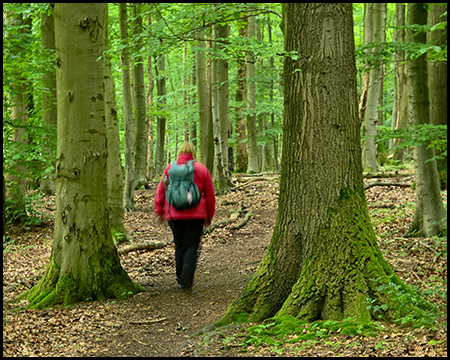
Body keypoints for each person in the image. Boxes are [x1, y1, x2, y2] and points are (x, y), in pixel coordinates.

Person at [154, 142, 216, 290]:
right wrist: (209, 215)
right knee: (192, 244)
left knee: (179, 245)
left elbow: (161, 190)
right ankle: (187, 274)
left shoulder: (170, 169)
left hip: (174, 214)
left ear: (180, 153)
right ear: (194, 153)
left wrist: (159, 209)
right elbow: (210, 194)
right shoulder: (201, 169)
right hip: (196, 214)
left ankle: (180, 278)